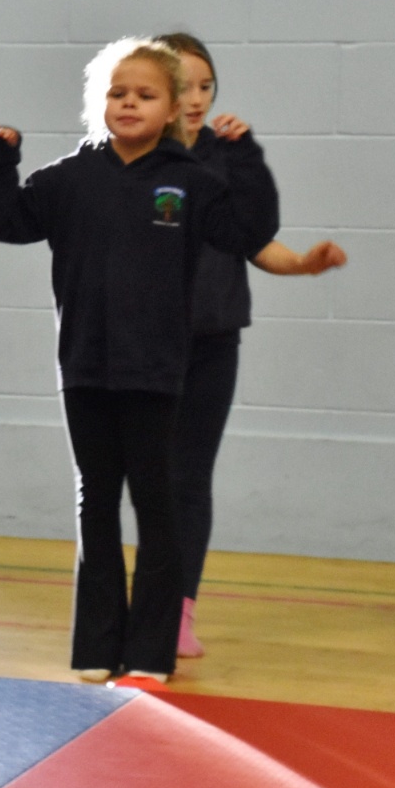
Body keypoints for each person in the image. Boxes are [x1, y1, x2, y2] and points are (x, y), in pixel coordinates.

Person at [0, 37, 279, 684]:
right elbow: (8, 222)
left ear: (170, 109)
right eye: (118, 94)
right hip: (85, 366)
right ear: (100, 103)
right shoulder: (68, 179)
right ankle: (96, 645)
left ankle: (148, 653)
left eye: (145, 95)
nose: (130, 104)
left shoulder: (189, 182)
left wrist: (246, 158)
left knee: (156, 504)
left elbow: (249, 231)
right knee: (95, 502)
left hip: (157, 371)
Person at [154, 33, 347, 658]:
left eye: (206, 86)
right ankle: (136, 603)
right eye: (182, 86)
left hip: (213, 343)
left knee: (190, 478)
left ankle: (179, 611)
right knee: (147, 479)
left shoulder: (227, 156)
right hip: (145, 345)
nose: (196, 99)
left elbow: (255, 242)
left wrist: (304, 264)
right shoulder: (133, 160)